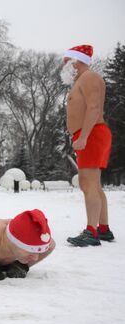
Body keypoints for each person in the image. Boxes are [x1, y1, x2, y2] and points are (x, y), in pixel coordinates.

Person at [60, 45, 114, 247]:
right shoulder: (81, 81)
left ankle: (91, 231)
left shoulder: (89, 77)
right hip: (89, 133)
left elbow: (94, 107)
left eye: (67, 61)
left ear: (78, 61)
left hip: (91, 134)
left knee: (87, 183)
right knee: (94, 183)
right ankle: (103, 228)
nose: (63, 65)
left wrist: (84, 136)